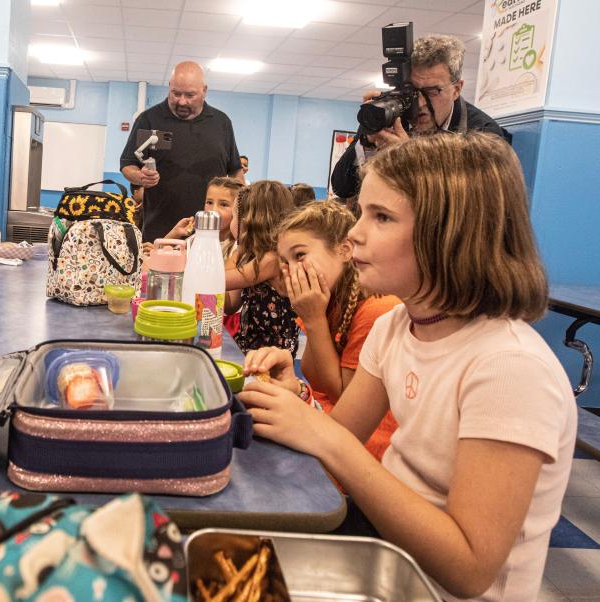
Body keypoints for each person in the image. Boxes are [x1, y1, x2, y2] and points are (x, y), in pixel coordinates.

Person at [240, 133, 575, 600]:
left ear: (449, 235)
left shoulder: (510, 368)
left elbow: (470, 569)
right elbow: (343, 432)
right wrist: (295, 396)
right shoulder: (398, 326)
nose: (354, 233)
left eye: (381, 217)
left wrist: (327, 438)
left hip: (434, 587)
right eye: (362, 212)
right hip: (383, 548)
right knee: (218, 562)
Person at [274, 201, 401, 461]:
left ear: (344, 250)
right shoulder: (328, 301)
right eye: (285, 261)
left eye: (300, 256)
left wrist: (314, 319)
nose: (292, 270)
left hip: (364, 450)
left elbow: (342, 395)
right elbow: (315, 377)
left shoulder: (376, 309)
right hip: (329, 422)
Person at [331, 35, 509, 199]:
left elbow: (471, 207)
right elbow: (342, 188)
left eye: (432, 91)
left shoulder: (484, 135)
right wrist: (368, 143)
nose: (421, 103)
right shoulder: (396, 115)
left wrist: (408, 158)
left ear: (456, 89)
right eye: (412, 91)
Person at [119, 61, 243, 242]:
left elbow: (235, 170)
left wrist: (242, 210)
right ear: (169, 87)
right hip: (160, 229)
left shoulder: (221, 122)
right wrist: (140, 177)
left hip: (211, 232)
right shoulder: (149, 119)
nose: (182, 101)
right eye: (175, 93)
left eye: (190, 95)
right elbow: (127, 164)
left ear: (204, 90)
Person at [224, 180, 298, 355]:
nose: (231, 222)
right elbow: (230, 305)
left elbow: (224, 280)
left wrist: (191, 268)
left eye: (234, 216)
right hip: (249, 344)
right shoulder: (250, 256)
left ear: (248, 221)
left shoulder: (272, 258)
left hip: (271, 352)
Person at [163, 175, 242, 260]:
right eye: (209, 202)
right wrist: (175, 233)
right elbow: (162, 257)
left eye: (223, 204)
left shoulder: (239, 247)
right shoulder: (196, 239)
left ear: (238, 210)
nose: (213, 210)